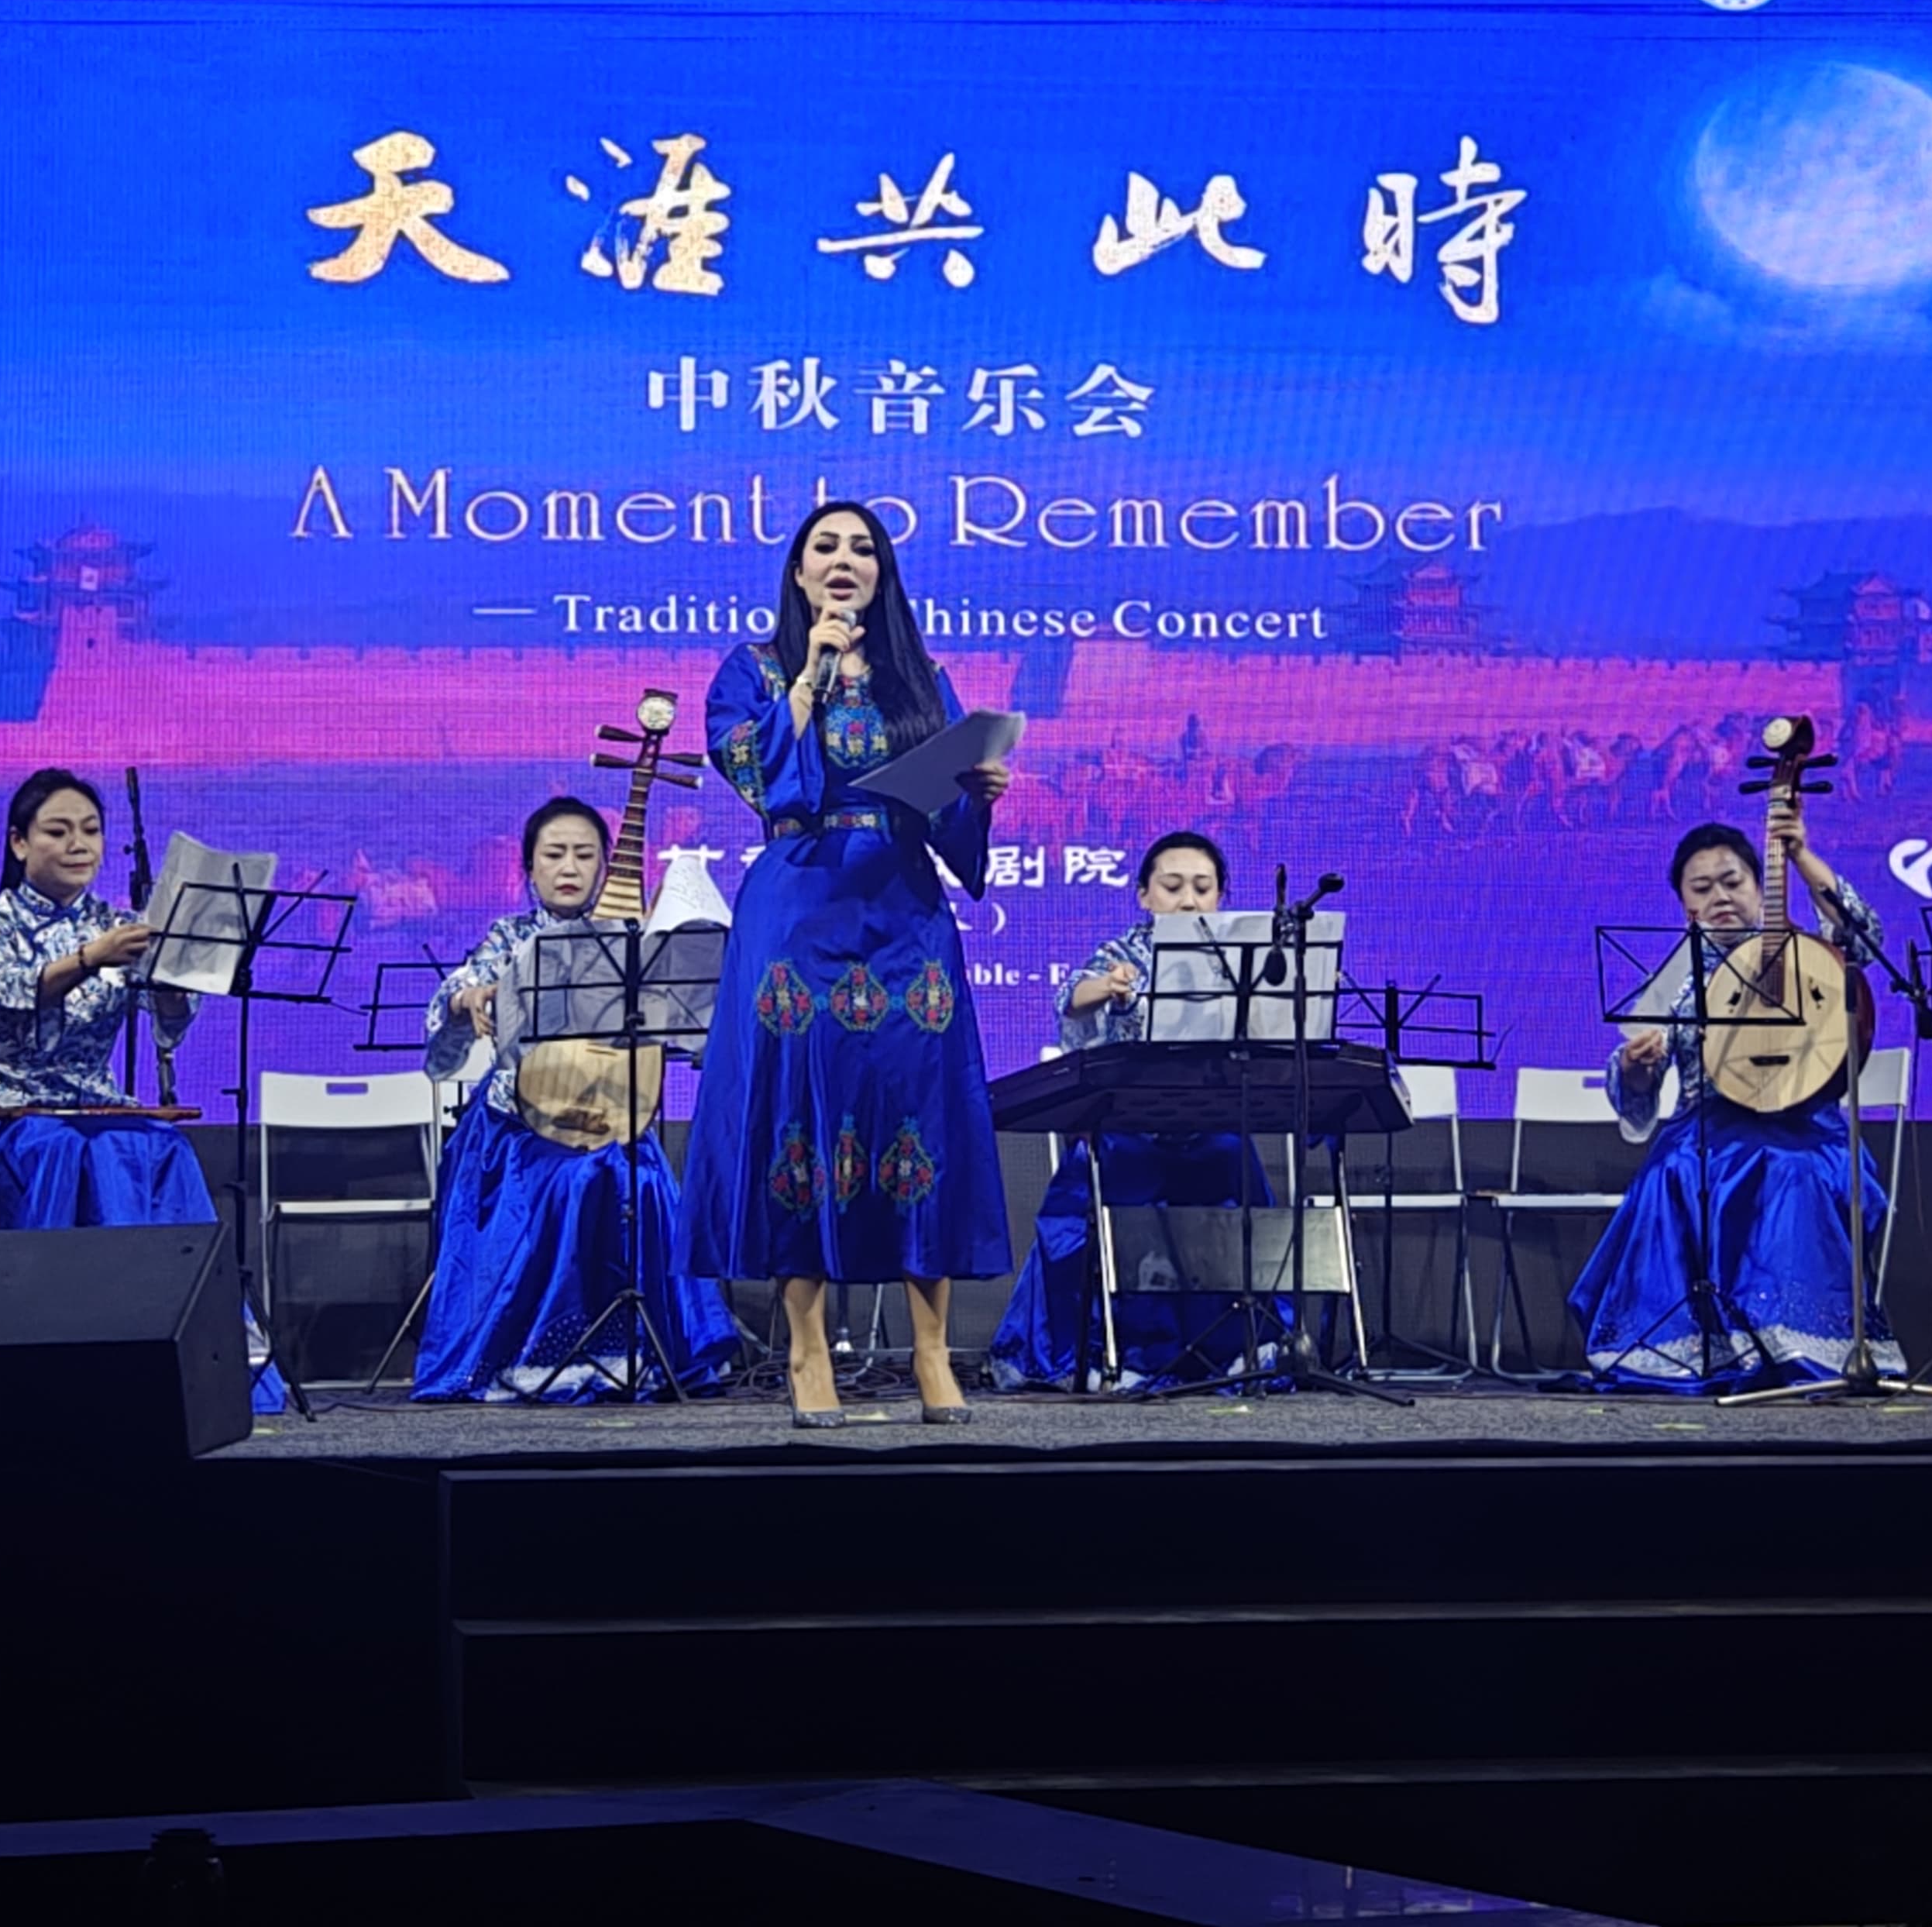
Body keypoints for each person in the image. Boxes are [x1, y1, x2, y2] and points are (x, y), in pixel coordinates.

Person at [680, 502, 1012, 1426]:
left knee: (920, 1113)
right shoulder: (753, 669)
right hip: (798, 906)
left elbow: (950, 821)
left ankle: (932, 1352)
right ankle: (806, 1349)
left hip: (904, 910)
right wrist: (808, 681)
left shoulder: (921, 679)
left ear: (882, 574)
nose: (843, 560)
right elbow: (758, 778)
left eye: (862, 549)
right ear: (797, 572)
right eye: (824, 547)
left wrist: (977, 794)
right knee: (799, 1115)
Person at [0, 767, 286, 1409]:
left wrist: (177, 981)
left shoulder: (120, 922)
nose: (79, 844)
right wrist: (88, 959)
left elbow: (168, 1025)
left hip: (94, 1104)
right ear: (19, 842)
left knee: (161, 1147)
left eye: (91, 831)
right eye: (58, 831)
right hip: (4, 1112)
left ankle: (176, 1358)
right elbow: (4, 997)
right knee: (63, 1149)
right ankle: (62, 1353)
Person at [1567, 801, 1906, 1392]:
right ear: (1686, 906)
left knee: (1795, 1171)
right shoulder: (1680, 980)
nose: (1720, 896)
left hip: (1804, 1129)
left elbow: (1862, 934)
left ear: (1760, 886)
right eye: (1702, 888)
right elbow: (1639, 1093)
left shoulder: (1809, 956)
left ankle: (1801, 1344)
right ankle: (1697, 1346)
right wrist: (1636, 1069)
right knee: (1676, 1167)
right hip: (1706, 1128)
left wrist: (1798, 854)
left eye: (1733, 881)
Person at [411, 797, 739, 1401]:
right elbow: (458, 990)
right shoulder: (512, 936)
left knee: (640, 1179)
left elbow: (683, 1016)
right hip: (519, 1132)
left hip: (613, 1117)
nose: (569, 867)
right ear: (530, 868)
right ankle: (541, 1351)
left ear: (605, 867)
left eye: (585, 855)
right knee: (574, 1182)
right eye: (554, 854)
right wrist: (468, 998)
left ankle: (634, 1347)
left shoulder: (635, 941)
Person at [990, 831, 1284, 1391]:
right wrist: (1107, 988)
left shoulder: (1244, 961)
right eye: (1172, 887)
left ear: (1220, 896)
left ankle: (1240, 1346)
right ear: (1145, 895)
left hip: (1210, 1128)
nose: (1188, 900)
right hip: (1131, 1129)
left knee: (1234, 1162)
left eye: (1202, 888)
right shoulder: (1121, 955)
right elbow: (1072, 998)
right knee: (1112, 1172)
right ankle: (1106, 1350)